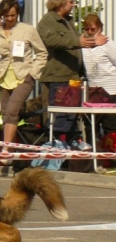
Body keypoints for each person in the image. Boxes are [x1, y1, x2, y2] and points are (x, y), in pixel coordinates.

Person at [37, 0, 107, 140]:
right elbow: (52, 40)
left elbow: (79, 42)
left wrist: (93, 42)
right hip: (57, 79)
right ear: (60, 2)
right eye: (71, 2)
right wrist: (77, 42)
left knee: (71, 121)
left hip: (72, 78)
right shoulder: (47, 21)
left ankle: (69, 156)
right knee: (58, 122)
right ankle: (56, 157)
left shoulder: (68, 20)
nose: (73, 5)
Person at [0, 0, 47, 161]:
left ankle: (5, 150)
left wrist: (33, 73)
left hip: (24, 77)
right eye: (6, 16)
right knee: (6, 114)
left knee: (12, 112)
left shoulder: (27, 30)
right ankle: (12, 152)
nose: (10, 18)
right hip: (4, 77)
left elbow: (42, 53)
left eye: (13, 15)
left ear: (17, 14)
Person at [81, 14, 116, 138]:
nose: (90, 32)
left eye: (93, 29)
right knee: (91, 125)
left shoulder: (108, 44)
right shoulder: (83, 46)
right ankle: (94, 153)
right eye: (86, 29)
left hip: (110, 91)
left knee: (110, 126)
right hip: (93, 91)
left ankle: (111, 155)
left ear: (100, 29)